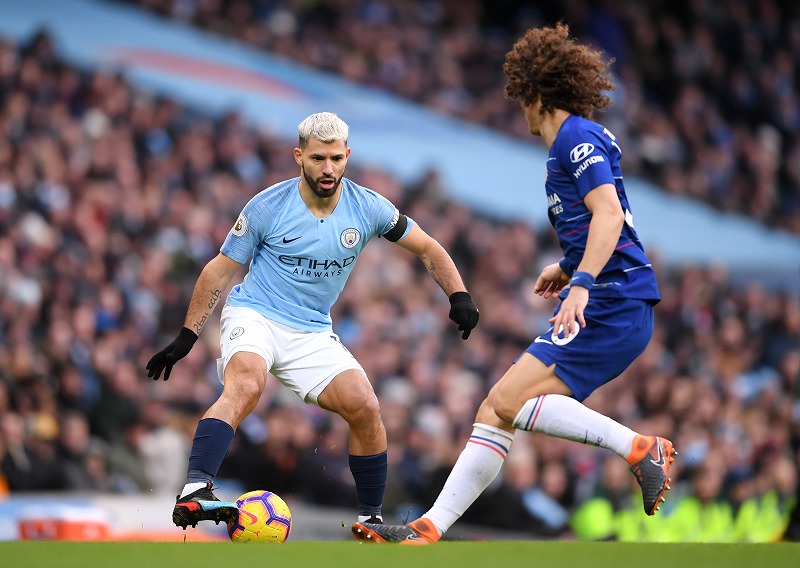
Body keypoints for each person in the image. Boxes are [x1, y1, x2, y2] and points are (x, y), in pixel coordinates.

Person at [351, 23, 676, 545]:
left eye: (521, 95)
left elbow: (611, 214)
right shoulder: (571, 144)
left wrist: (581, 283)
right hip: (613, 297)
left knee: (508, 401)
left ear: (537, 94)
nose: (519, 107)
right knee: (497, 409)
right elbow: (609, 220)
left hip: (613, 301)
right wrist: (568, 265)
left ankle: (639, 448)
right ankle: (429, 528)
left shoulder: (575, 137)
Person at [146, 112, 479, 529]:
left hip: (312, 330)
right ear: (299, 156)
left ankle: (370, 521)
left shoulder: (369, 207)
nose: (328, 169)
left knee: (365, 406)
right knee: (247, 383)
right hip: (256, 313)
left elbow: (428, 247)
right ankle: (196, 488)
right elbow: (218, 271)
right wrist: (187, 336)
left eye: (336, 159)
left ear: (347, 156)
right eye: (318, 158)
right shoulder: (268, 206)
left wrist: (458, 294)